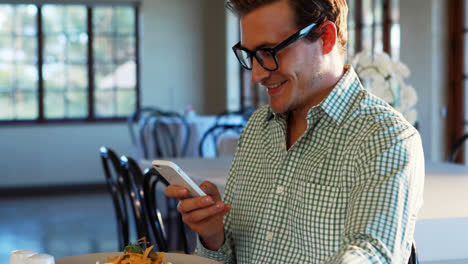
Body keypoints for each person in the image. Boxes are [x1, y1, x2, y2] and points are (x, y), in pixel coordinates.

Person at [166, 0, 424, 263]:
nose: (256, 74)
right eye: (251, 55)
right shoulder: (257, 128)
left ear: (325, 37)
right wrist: (213, 235)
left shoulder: (386, 138)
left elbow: (371, 255)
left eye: (269, 51)